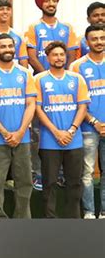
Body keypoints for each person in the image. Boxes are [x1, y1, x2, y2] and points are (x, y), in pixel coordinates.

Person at [25, 0, 79, 191]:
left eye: (53, 0)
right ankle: (39, 173)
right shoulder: (34, 28)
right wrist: (44, 74)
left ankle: (63, 174)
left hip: (65, 86)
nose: (50, 3)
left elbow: (72, 54)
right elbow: (30, 55)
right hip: (41, 82)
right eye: (46, 0)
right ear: (41, 4)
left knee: (65, 125)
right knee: (39, 130)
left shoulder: (67, 29)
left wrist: (64, 75)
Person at [0, 34, 35, 218]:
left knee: (25, 181)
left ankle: (22, 219)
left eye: (10, 46)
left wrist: (20, 132)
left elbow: (31, 105)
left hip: (23, 138)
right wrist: (4, 132)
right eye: (3, 47)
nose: (8, 50)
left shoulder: (25, 73)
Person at [35, 41, 89, 218]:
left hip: (74, 140)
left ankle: (73, 220)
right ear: (48, 57)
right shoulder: (40, 79)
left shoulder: (76, 78)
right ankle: (51, 221)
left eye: (61, 54)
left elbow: (82, 107)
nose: (58, 58)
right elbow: (38, 109)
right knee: (49, 184)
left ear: (65, 57)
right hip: (49, 141)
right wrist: (56, 132)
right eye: (54, 55)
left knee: (74, 183)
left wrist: (72, 130)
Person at [69, 23, 105, 219]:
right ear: (87, 41)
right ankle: (90, 213)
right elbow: (75, 100)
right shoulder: (77, 66)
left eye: (102, 38)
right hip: (88, 128)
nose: (99, 42)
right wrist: (95, 122)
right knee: (87, 173)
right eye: (94, 39)